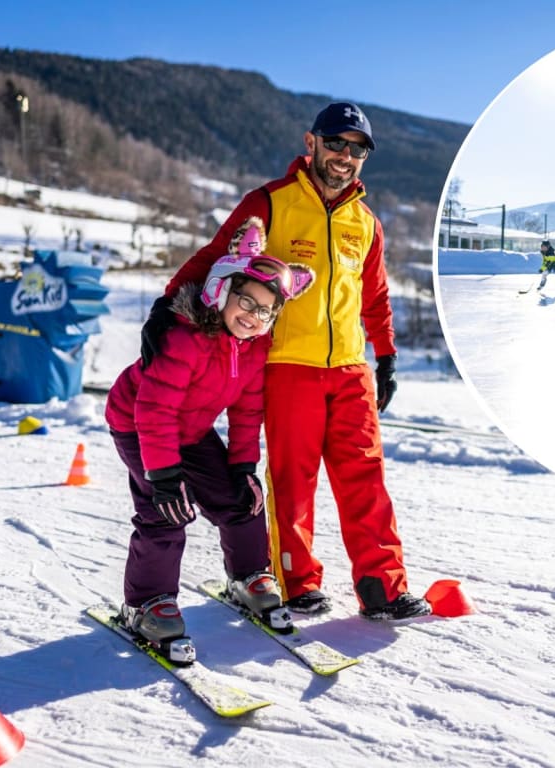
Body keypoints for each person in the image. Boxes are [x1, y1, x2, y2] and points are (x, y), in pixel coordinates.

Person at [140, 102, 431, 621]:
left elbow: (376, 295)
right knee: (293, 479)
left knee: (366, 478)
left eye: (357, 149)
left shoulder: (365, 223)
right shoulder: (270, 202)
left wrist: (384, 355)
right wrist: (167, 306)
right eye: (337, 143)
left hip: (348, 367)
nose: (345, 156)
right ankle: (297, 580)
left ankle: (382, 585)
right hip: (285, 364)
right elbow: (215, 258)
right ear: (311, 142)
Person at [106, 218, 314, 649]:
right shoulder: (186, 337)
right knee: (167, 511)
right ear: (222, 290)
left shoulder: (255, 347)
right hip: (138, 423)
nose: (252, 317)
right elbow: (155, 408)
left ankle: (249, 576)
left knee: (242, 499)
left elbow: (246, 408)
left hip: (191, 429)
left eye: (264, 311)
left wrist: (242, 467)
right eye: (245, 302)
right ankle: (148, 603)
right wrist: (163, 477)